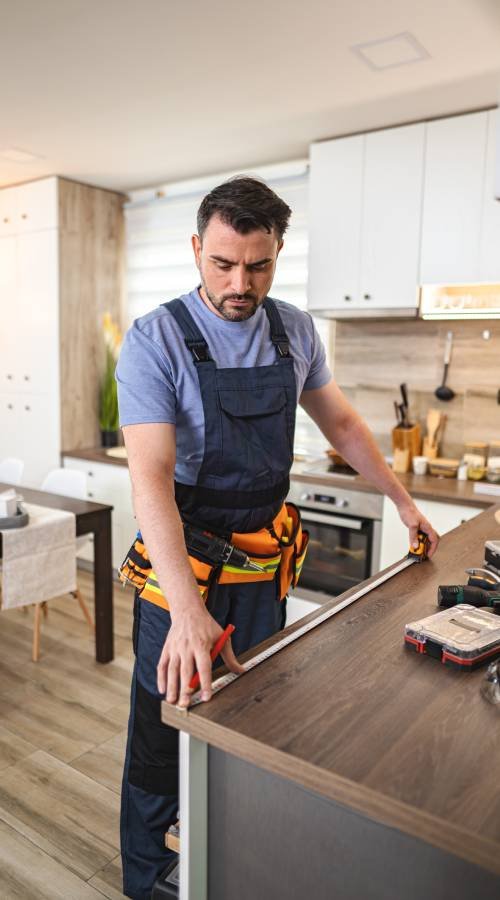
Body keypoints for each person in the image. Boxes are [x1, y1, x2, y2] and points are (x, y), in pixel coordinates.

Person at [116, 175, 439, 899]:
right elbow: (151, 482)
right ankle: (147, 876)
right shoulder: (156, 339)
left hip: (262, 568)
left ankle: (230, 857)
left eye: (258, 265)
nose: (240, 282)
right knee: (163, 729)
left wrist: (405, 502)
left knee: (255, 715)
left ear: (279, 253)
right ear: (197, 248)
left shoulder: (295, 329)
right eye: (223, 263)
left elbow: (345, 426)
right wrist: (186, 608)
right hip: (184, 572)